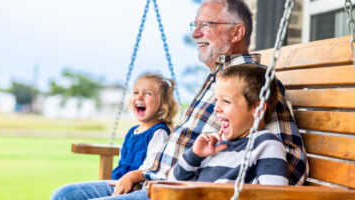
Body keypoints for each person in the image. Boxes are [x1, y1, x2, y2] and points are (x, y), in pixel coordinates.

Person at [50, 0, 308, 199]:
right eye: (194, 26)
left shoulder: (255, 83)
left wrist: (220, 188)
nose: (196, 34)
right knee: (65, 195)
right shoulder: (218, 81)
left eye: (206, 25)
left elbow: (289, 162)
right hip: (153, 180)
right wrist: (142, 173)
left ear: (236, 32)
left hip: (175, 192)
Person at [50, 73, 178, 200]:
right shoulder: (133, 131)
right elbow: (123, 160)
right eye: (136, 92)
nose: (140, 97)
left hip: (139, 187)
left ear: (162, 104)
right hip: (119, 184)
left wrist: (132, 177)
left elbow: (153, 168)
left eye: (148, 93)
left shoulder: (159, 133)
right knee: (62, 194)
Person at [168, 64, 288, 185]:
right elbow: (172, 184)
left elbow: (275, 194)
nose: (216, 108)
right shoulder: (215, 145)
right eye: (216, 100)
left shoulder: (266, 144)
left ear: (258, 109)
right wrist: (194, 156)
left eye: (226, 101)